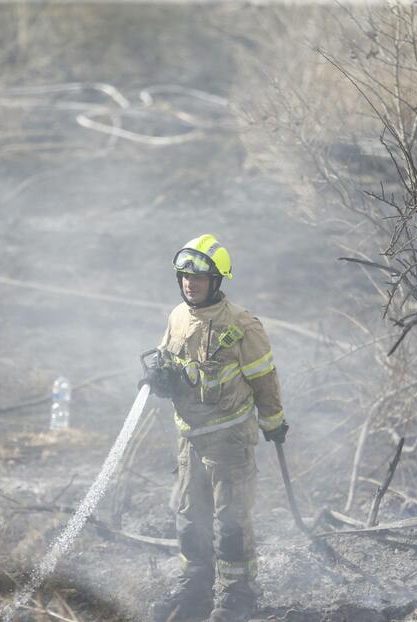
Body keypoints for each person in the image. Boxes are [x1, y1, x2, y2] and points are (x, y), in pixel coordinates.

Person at [144, 234, 289, 622]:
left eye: (200, 278)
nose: (191, 283)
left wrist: (273, 421)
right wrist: (159, 378)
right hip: (190, 437)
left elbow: (264, 378)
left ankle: (237, 596)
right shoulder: (177, 316)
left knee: (231, 524)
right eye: (185, 277)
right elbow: (168, 363)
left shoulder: (242, 325)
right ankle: (195, 585)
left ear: (217, 281)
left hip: (229, 440)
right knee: (190, 519)